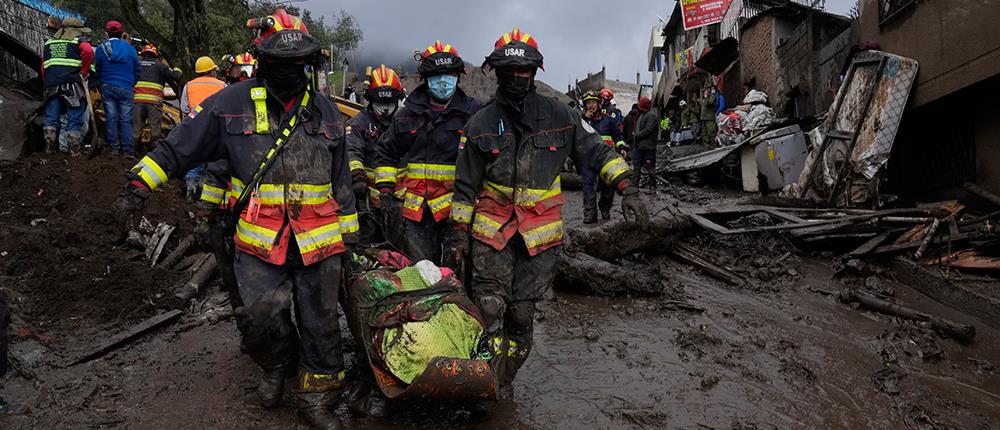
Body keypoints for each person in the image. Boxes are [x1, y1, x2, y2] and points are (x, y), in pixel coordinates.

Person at [112, 9, 356, 428]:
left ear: (308, 64)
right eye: (279, 63)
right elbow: (178, 148)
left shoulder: (325, 110)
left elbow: (341, 180)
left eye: (296, 63)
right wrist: (138, 185)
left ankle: (319, 400)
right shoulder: (229, 103)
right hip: (261, 244)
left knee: (323, 326)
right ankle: (278, 364)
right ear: (262, 61)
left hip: (320, 243)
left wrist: (351, 239)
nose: (288, 71)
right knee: (259, 319)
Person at [450, 27, 649, 397]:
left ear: (535, 72)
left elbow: (598, 151)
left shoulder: (561, 115)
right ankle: (487, 383)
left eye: (523, 72)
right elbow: (463, 188)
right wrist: (458, 235)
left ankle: (504, 375)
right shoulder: (478, 125)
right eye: (508, 73)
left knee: (521, 316)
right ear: (496, 72)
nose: (516, 79)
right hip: (492, 235)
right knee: (490, 308)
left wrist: (628, 189)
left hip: (538, 240)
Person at [373, 40, 480, 268]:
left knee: (458, 274)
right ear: (425, 77)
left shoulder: (474, 114)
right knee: (421, 273)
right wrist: (385, 190)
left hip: (458, 212)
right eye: (436, 74)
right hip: (416, 213)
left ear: (458, 76)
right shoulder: (407, 114)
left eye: (448, 74)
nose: (443, 80)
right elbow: (385, 150)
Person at [40, 17, 94, 155]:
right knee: (74, 117)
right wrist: (84, 71)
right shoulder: (79, 41)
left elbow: (43, 66)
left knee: (51, 117)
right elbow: (88, 51)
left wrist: (49, 80)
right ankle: (73, 151)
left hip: (51, 85)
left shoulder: (49, 43)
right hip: (72, 85)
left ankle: (49, 149)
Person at [179, 56, 227, 200]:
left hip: (195, 127)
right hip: (216, 127)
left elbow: (184, 108)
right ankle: (207, 194)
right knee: (214, 160)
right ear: (212, 71)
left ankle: (190, 186)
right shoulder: (222, 85)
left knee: (195, 157)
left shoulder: (189, 86)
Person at [580, 90, 627, 223]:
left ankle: (605, 208)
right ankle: (590, 214)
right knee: (588, 186)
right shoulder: (582, 120)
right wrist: (585, 118)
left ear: (599, 103)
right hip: (588, 158)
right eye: (588, 103)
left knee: (608, 187)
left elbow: (618, 136)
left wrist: (622, 147)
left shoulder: (609, 120)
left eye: (593, 102)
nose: (591, 105)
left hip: (606, 159)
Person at [94, 20, 140, 156]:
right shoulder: (130, 49)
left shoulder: (101, 49)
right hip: (126, 87)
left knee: (111, 118)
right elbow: (137, 69)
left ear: (106, 34)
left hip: (107, 86)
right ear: (122, 34)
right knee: (126, 120)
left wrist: (102, 82)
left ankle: (114, 148)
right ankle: (128, 151)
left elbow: (98, 68)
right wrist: (131, 83)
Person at [132, 44, 181, 152]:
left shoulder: (136, 65)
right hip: (153, 103)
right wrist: (177, 69)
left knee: (136, 129)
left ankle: (132, 152)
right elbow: (176, 76)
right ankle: (153, 153)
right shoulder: (161, 66)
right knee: (155, 129)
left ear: (143, 54)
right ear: (156, 55)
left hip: (137, 102)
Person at [631, 97, 661, 193]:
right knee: (636, 167)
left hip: (648, 147)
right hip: (639, 146)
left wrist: (636, 135)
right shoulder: (641, 115)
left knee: (650, 167)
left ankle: (652, 186)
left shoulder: (651, 116)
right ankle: (635, 186)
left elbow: (648, 130)